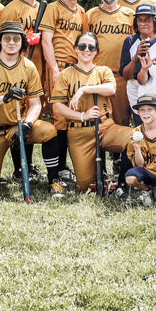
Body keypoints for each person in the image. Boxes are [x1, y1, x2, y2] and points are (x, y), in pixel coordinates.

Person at [0, 21, 56, 200]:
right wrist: (4, 98)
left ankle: (54, 179)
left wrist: (27, 125)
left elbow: (35, 104)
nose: (11, 42)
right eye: (7, 38)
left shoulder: (28, 66)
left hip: (16, 126)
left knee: (49, 130)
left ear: (22, 42)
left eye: (16, 39)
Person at [50, 32, 134, 195]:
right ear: (75, 49)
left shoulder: (103, 71)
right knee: (86, 187)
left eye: (91, 47)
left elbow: (111, 89)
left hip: (105, 127)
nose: (86, 50)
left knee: (134, 137)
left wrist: (85, 89)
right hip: (79, 132)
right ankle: (101, 179)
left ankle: (122, 185)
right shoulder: (66, 74)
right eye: (82, 46)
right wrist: (83, 116)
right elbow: (57, 107)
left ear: (96, 51)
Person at [0, 0, 50, 179]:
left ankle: (28, 165)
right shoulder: (12, 8)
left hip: (38, 69)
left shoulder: (44, 8)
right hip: (17, 67)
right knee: (17, 114)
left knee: (32, 114)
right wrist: (25, 43)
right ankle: (20, 167)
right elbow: (4, 39)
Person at [39, 0, 88, 185]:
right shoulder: (53, 8)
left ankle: (65, 166)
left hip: (75, 69)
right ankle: (57, 169)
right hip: (57, 66)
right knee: (58, 117)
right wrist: (54, 69)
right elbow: (46, 40)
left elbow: (85, 43)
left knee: (71, 116)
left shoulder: (82, 12)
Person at [87, 0, 136, 126]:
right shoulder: (90, 14)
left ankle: (120, 151)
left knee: (122, 120)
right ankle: (98, 151)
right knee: (98, 120)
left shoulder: (129, 14)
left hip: (121, 77)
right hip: (97, 77)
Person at [118, 3, 156, 117]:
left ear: (155, 21)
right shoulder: (130, 41)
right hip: (136, 88)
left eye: (147, 20)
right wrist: (136, 57)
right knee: (140, 126)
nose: (143, 23)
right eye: (139, 20)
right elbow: (126, 76)